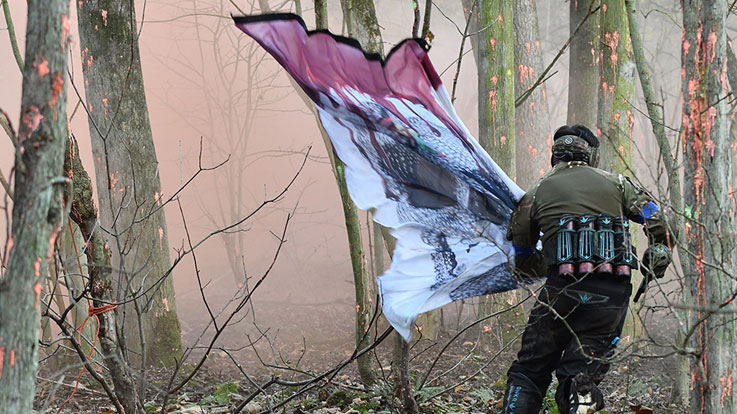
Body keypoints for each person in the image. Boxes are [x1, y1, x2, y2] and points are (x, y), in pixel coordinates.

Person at [502, 125, 675, 414]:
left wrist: (536, 263)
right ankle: (581, 392)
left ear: (554, 156)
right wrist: (658, 253)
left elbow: (522, 251)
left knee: (530, 370)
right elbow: (658, 221)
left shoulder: (536, 192)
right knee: (579, 373)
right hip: (610, 296)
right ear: (592, 155)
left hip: (561, 290)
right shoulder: (620, 184)